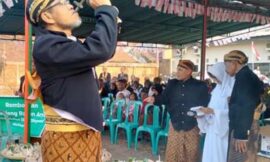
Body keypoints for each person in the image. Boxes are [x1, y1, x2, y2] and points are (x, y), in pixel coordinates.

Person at [26, 0, 119, 161]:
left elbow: (106, 48)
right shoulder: (47, 46)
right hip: (66, 136)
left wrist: (110, 16)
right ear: (47, 16)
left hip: (82, 134)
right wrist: (105, 10)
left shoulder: (63, 43)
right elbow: (101, 49)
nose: (70, 5)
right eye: (61, 2)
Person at [148, 60, 209, 162]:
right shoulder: (172, 84)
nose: (177, 72)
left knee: (191, 153)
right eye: (177, 69)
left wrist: (198, 113)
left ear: (189, 71)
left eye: (180, 69)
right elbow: (164, 98)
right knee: (173, 154)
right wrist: (155, 99)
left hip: (192, 125)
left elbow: (205, 103)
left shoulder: (199, 86)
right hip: (175, 123)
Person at [224, 50, 264, 162]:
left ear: (234, 63)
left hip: (244, 127)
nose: (225, 69)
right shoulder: (248, 75)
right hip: (249, 124)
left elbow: (245, 106)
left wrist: (241, 135)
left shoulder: (243, 77)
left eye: (226, 64)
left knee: (239, 159)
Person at [198, 62, 235, 162]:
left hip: (223, 129)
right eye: (213, 77)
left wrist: (214, 111)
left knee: (219, 155)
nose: (215, 80)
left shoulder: (232, 90)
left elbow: (233, 112)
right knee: (209, 154)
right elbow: (211, 108)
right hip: (212, 128)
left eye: (216, 77)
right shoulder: (217, 89)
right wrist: (202, 114)